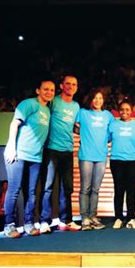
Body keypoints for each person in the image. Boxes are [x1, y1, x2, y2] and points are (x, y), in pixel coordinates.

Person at [3, 79, 55, 238]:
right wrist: (11, 147)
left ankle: (28, 223)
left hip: (36, 157)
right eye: (45, 89)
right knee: (14, 190)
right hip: (18, 154)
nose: (49, 92)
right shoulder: (28, 104)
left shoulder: (47, 110)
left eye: (52, 90)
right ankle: (9, 225)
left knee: (31, 192)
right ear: (38, 90)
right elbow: (14, 124)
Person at [39, 75, 81, 234]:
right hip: (51, 149)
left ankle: (66, 220)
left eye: (74, 84)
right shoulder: (54, 101)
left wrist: (87, 133)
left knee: (67, 187)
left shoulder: (76, 106)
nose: (71, 86)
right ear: (62, 86)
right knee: (48, 186)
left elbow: (72, 127)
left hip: (67, 151)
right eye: (68, 84)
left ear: (77, 88)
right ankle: (44, 221)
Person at [75, 89, 114, 230]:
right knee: (85, 188)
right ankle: (84, 217)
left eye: (100, 98)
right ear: (90, 99)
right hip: (86, 156)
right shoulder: (83, 113)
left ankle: (93, 216)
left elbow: (111, 133)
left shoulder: (108, 115)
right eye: (95, 98)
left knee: (96, 189)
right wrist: (82, 134)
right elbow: (73, 126)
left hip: (101, 157)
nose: (98, 101)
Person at [109, 100, 135, 229]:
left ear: (131, 111)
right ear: (119, 111)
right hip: (116, 161)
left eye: (127, 109)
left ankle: (131, 218)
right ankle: (118, 218)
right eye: (122, 109)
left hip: (133, 162)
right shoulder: (113, 125)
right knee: (118, 190)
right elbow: (104, 139)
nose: (124, 112)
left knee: (131, 191)